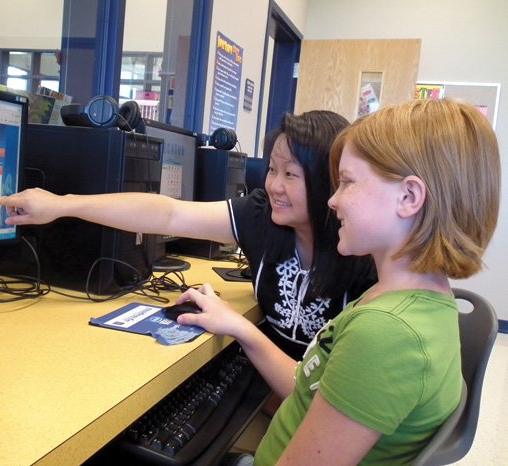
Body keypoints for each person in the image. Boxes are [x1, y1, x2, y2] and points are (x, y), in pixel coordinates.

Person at [172, 98, 501, 465]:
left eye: (346, 183)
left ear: (408, 197)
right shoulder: (404, 298)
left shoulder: (387, 335)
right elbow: (311, 386)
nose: (332, 200)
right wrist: (242, 329)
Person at [0, 110, 375, 360]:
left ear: (327, 180)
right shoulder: (263, 217)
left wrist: (235, 325)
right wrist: (63, 204)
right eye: (272, 170)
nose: (274, 185)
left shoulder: (359, 248)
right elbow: (168, 214)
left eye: (291, 175)